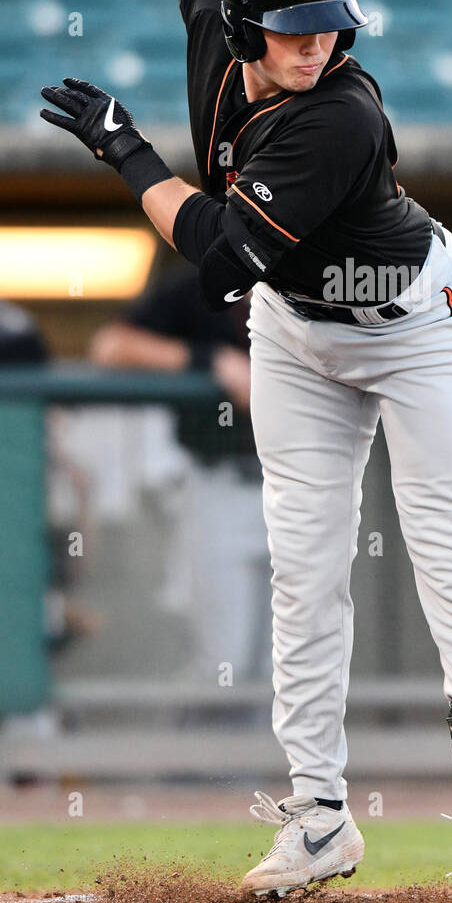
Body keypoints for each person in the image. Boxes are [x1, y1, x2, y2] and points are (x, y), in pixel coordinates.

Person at [38, 0, 452, 902]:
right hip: (297, 331)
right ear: (245, 27)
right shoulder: (222, 4)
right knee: (303, 567)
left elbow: (219, 253)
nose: (316, 46)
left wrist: (125, 150)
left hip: (409, 318)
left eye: (329, 28)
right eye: (294, 31)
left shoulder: (338, 112)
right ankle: (317, 816)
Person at [88, 264, 270, 681]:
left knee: (283, 669)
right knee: (225, 663)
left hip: (304, 487)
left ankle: (264, 749)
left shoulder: (322, 274)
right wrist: (206, 358)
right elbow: (109, 346)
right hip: (221, 480)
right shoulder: (200, 286)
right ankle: (200, 749)